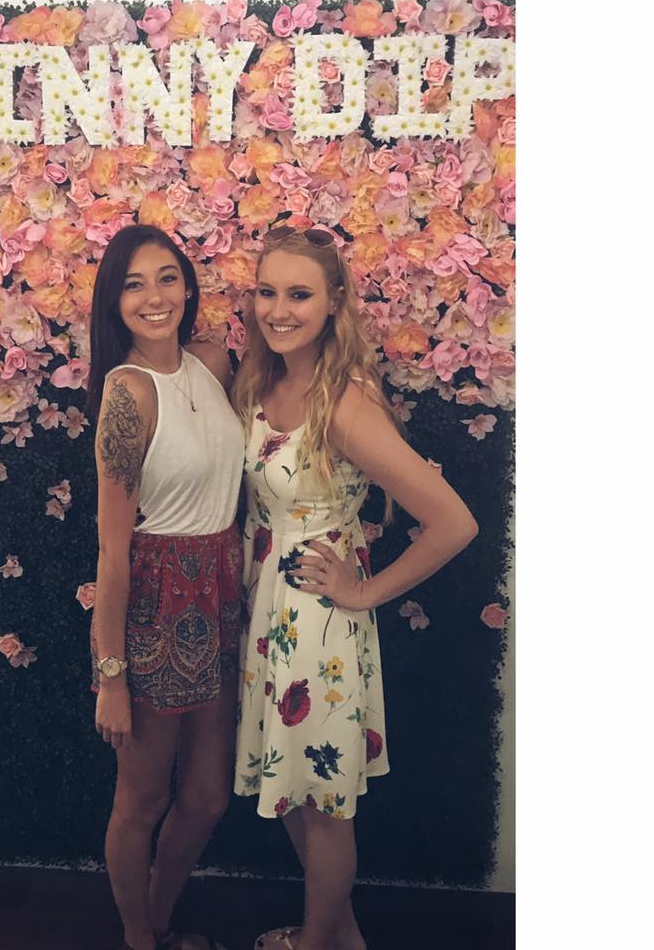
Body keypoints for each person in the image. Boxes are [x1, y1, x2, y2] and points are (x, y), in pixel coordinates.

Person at [231, 226, 479, 950]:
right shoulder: (266, 378)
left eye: (299, 295)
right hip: (269, 611)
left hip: (317, 621)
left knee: (321, 802)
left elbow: (453, 522)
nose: (279, 310)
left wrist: (365, 592)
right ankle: (343, 939)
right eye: (268, 292)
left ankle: (316, 946)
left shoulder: (343, 403)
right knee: (290, 794)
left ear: (334, 302)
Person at [86, 224, 245, 950]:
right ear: (113, 302)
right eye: (133, 284)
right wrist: (110, 675)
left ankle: (158, 911)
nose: (155, 297)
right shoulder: (127, 393)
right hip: (156, 603)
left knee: (208, 797)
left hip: (220, 593)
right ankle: (137, 938)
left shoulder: (214, 361)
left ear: (187, 284)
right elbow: (113, 552)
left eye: (166, 277)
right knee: (141, 800)